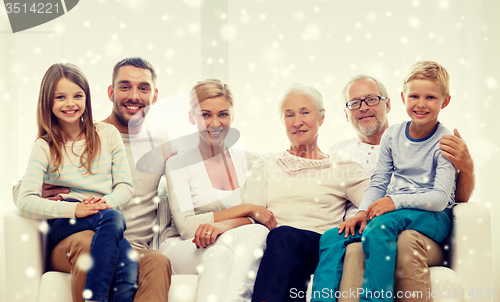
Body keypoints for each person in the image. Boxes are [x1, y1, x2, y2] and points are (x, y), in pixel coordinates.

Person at [13, 57, 172, 302]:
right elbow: (23, 194)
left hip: (119, 237)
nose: (134, 96)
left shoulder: (149, 143)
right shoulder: (47, 146)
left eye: (143, 88)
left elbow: (125, 186)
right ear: (110, 92)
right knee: (92, 240)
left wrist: (101, 204)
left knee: (157, 261)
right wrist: (72, 205)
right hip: (72, 237)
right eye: (125, 86)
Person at [311, 61, 464, 302]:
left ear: (444, 101)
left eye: (431, 98)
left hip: (432, 217)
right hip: (395, 214)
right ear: (403, 97)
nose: (421, 104)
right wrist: (362, 212)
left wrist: (394, 202)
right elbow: (379, 181)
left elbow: (439, 198)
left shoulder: (443, 141)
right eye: (414, 96)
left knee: (380, 227)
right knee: (332, 237)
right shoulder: (392, 136)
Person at [251, 84, 371, 302]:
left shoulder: (343, 167)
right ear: (283, 122)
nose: (297, 122)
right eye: (289, 115)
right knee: (282, 244)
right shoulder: (265, 162)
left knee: (284, 235)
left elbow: (375, 202)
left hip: (317, 246)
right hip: (274, 248)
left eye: (305, 112)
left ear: (322, 117)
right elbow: (249, 208)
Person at [160, 79, 275, 302]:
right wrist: (247, 209)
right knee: (227, 248)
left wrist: (222, 225)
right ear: (191, 117)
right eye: (205, 115)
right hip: (183, 247)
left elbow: (259, 222)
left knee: (241, 242)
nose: (215, 123)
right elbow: (186, 227)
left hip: (227, 243)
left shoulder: (253, 162)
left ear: (232, 115)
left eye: (223, 114)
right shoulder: (178, 164)